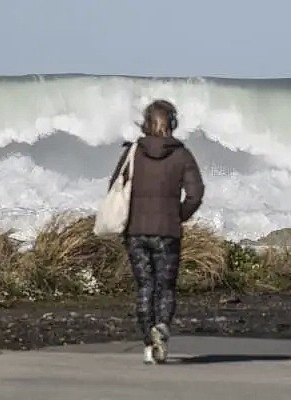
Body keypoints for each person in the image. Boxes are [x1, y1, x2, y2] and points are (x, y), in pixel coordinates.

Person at [108, 99, 205, 364]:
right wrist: (179, 215)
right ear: (172, 123)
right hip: (167, 233)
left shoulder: (133, 153)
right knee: (166, 287)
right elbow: (196, 194)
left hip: (136, 232)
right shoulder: (182, 155)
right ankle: (161, 326)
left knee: (145, 286)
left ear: (146, 123)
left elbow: (114, 187)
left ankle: (149, 345)